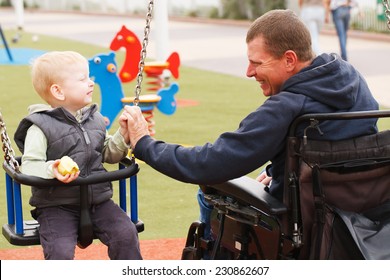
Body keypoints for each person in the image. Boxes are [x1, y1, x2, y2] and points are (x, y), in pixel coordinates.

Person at [123, 9, 379, 240]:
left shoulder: (286, 108)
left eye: (257, 63)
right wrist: (284, 170)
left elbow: (210, 163)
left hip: (301, 219)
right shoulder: (352, 80)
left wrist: (145, 143)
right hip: (360, 210)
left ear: (289, 60)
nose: (248, 72)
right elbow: (342, 145)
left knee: (209, 193)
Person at [14, 51, 142, 260]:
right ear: (58, 91)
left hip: (99, 201)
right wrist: (52, 169)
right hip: (56, 206)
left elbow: (109, 154)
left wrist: (123, 134)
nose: (91, 83)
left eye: (89, 77)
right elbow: (29, 165)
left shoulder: (96, 119)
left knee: (126, 235)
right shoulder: (39, 127)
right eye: (83, 79)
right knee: (60, 251)